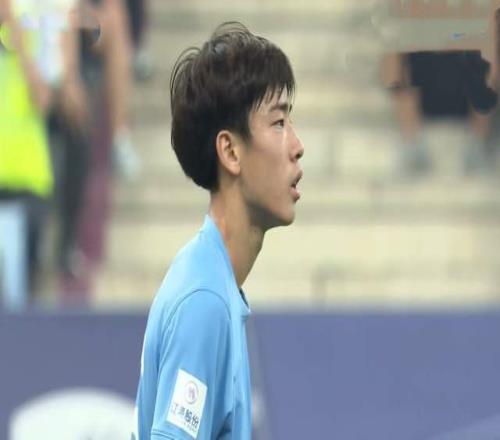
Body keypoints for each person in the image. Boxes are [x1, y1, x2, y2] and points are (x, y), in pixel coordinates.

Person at [132, 22, 304, 440]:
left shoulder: (211, 282)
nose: (297, 145)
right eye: (279, 122)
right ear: (230, 151)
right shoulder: (204, 301)